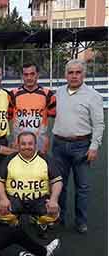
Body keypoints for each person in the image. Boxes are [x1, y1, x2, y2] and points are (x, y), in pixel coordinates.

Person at [52, 59, 105, 234]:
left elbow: (99, 124)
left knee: (82, 187)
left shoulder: (93, 95)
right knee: (60, 184)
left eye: (78, 72)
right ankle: (59, 217)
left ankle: (81, 221)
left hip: (81, 146)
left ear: (84, 74)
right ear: (65, 74)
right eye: (70, 72)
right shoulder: (58, 93)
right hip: (59, 145)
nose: (74, 76)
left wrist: (94, 146)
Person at [0, 132, 63, 239]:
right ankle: (14, 222)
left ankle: (41, 222)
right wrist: (3, 198)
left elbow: (57, 181)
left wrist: (54, 200)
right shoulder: (9, 159)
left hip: (39, 200)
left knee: (54, 213)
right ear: (18, 145)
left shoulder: (45, 159)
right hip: (15, 199)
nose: (27, 147)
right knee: (0, 212)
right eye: (23, 144)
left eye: (30, 144)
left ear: (35, 145)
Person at [8, 63, 56, 154]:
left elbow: (52, 119)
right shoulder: (13, 94)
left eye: (32, 74)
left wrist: (47, 137)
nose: (29, 77)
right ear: (22, 76)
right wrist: (12, 139)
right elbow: (8, 118)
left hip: (40, 143)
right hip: (20, 142)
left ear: (37, 75)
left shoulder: (48, 95)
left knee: (40, 167)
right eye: (26, 74)